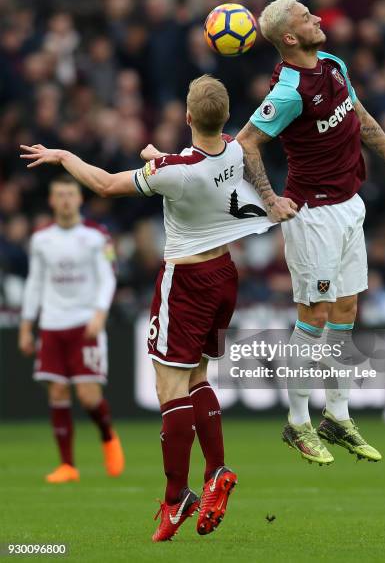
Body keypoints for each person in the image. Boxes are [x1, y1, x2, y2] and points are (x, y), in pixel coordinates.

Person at [20, 75, 293, 541]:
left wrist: (64, 156)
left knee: (170, 388)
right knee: (199, 378)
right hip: (225, 274)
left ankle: (175, 498)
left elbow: (106, 185)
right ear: (225, 118)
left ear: (187, 117)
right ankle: (217, 470)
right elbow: (191, 166)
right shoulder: (231, 148)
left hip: (185, 281)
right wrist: (156, 158)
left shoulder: (175, 170)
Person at [237, 0, 385, 465]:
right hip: (312, 215)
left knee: (345, 308)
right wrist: (271, 198)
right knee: (313, 317)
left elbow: (358, 116)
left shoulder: (332, 64)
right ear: (290, 38)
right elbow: (247, 143)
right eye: (305, 16)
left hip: (349, 205)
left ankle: (336, 416)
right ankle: (297, 422)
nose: (318, 17)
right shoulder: (289, 90)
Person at [18, 175, 124, 483]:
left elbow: (107, 277)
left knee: (89, 396)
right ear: (52, 201)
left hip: (84, 323)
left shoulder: (96, 236)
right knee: (58, 390)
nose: (65, 200)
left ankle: (107, 435)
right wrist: (27, 327)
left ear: (79, 199)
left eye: (70, 194)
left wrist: (99, 314)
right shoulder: (41, 239)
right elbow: (34, 284)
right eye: (59, 195)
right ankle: (68, 465)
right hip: (51, 324)